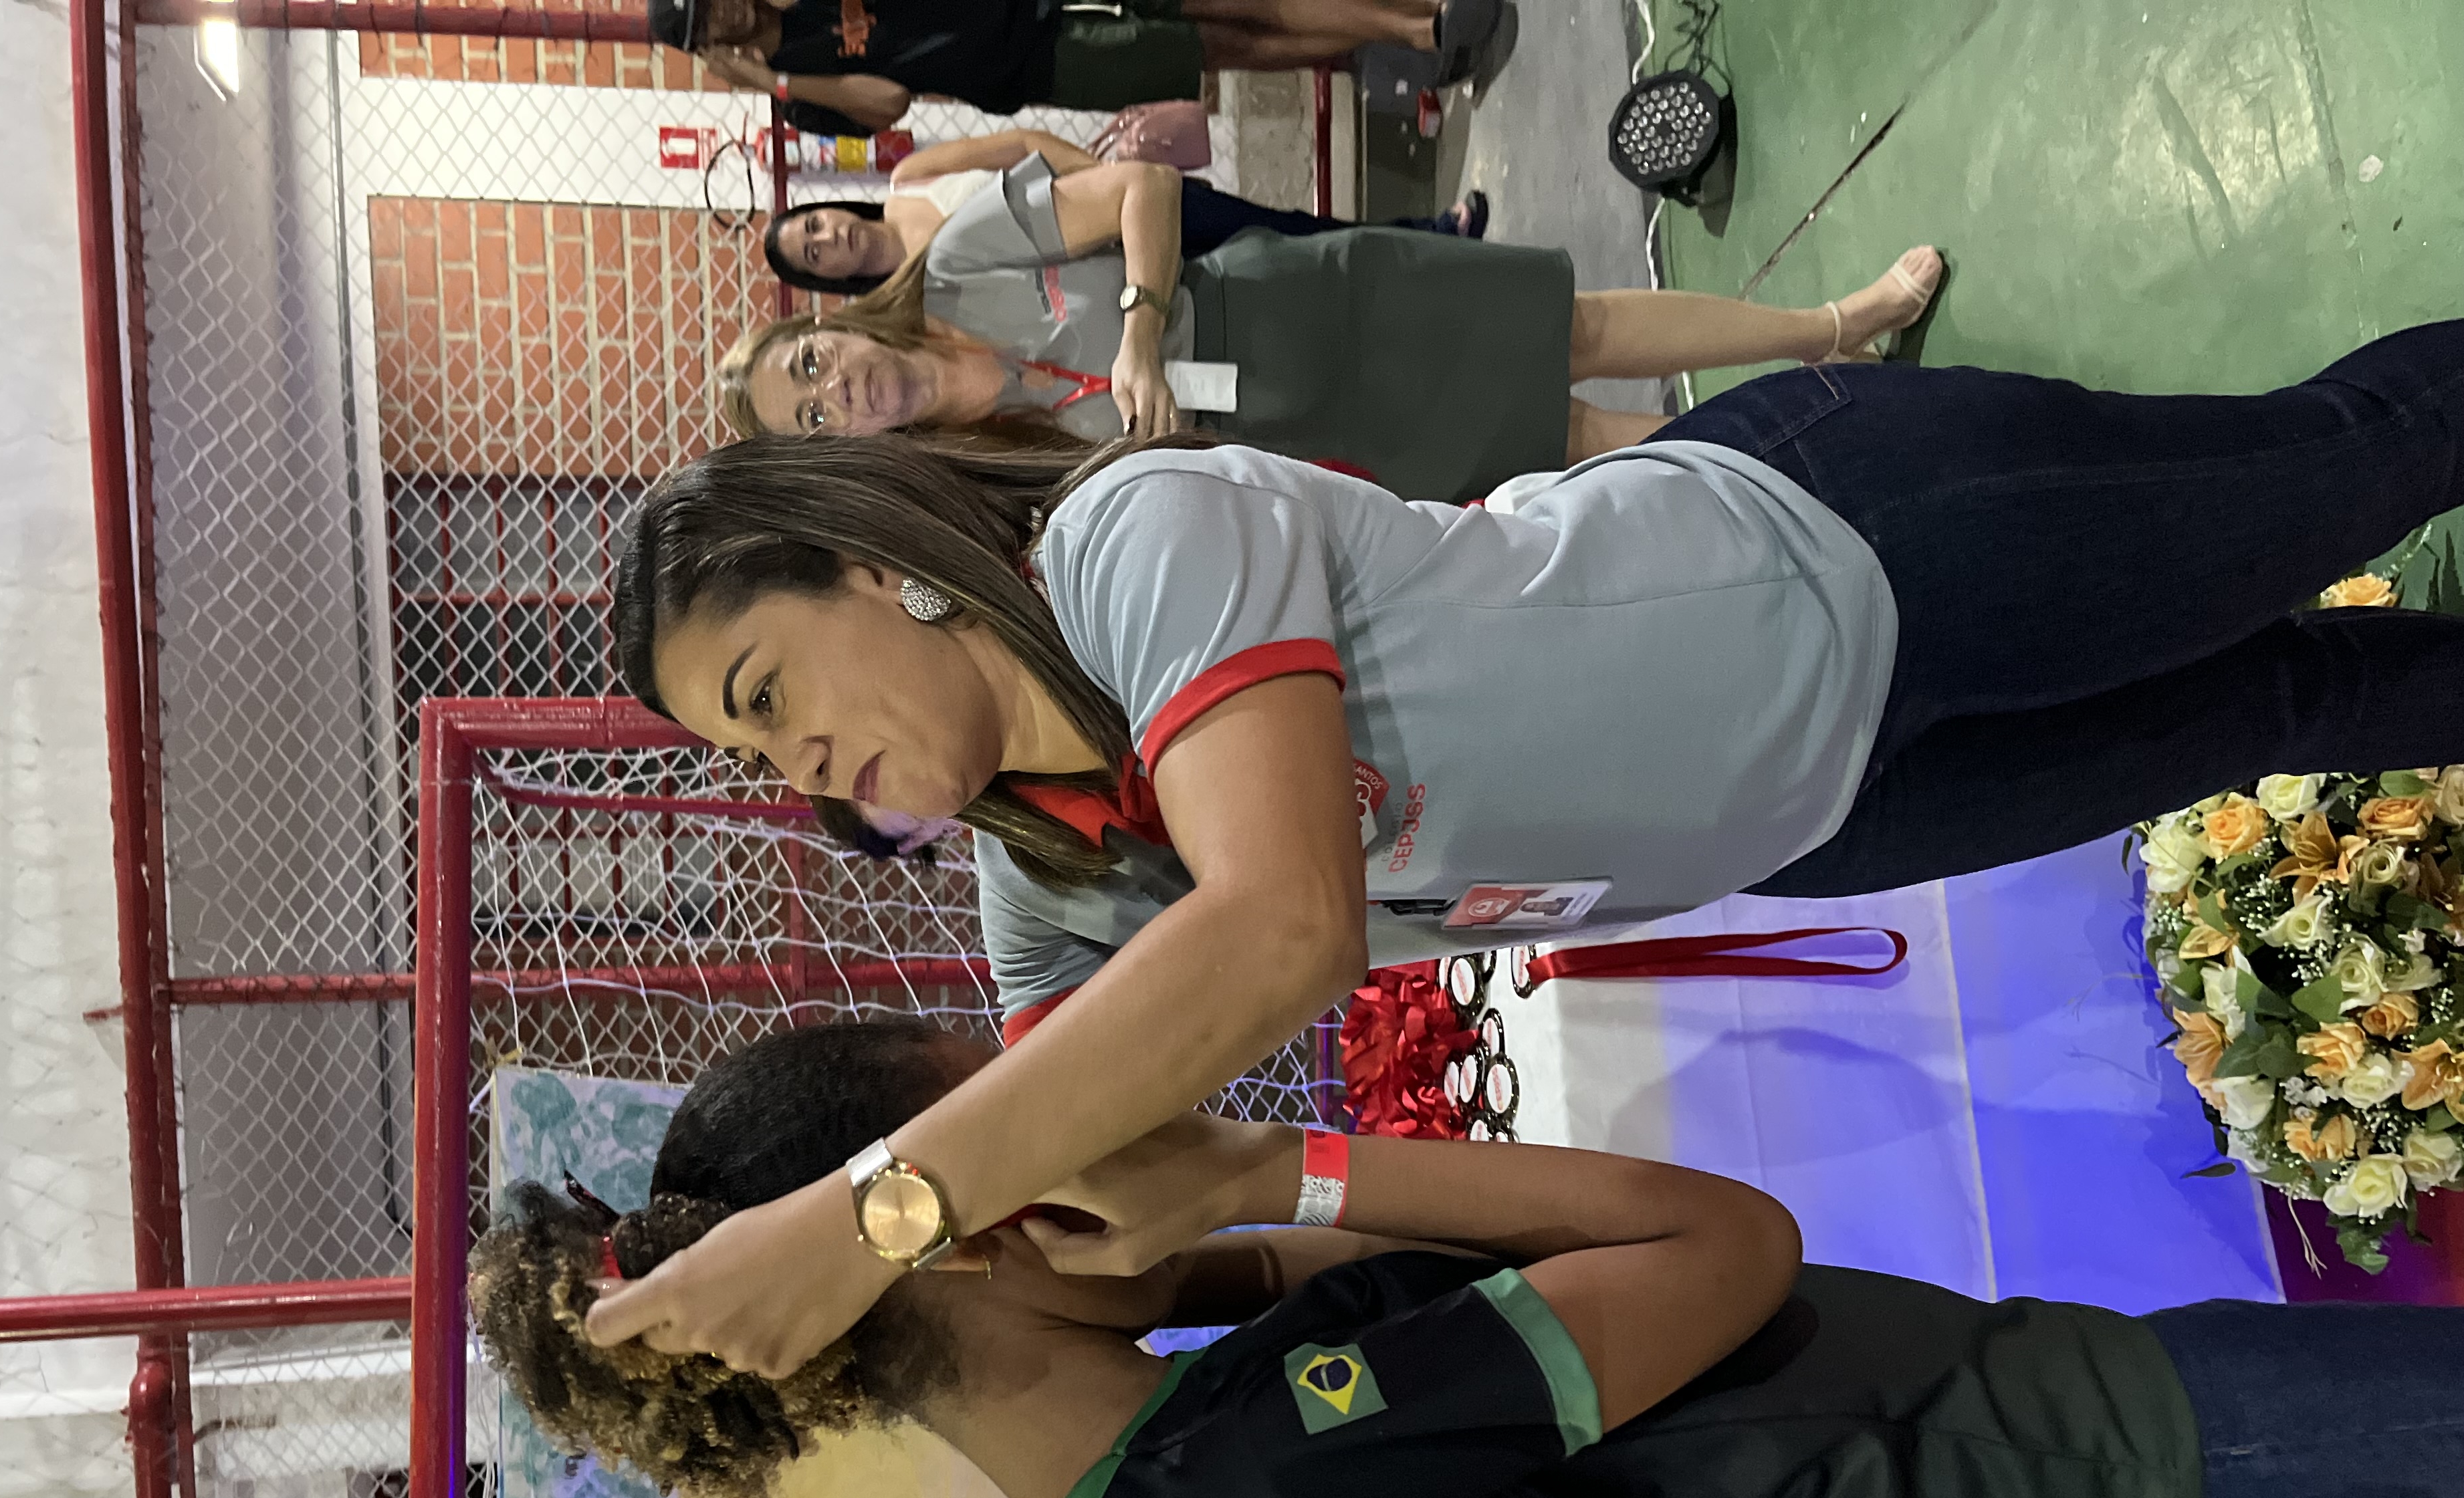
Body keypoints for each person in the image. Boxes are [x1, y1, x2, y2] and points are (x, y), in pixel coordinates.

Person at [591, 318, 2464, 1386]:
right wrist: (856, 1311)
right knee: (2280, 707)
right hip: (1823, 811)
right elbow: (1099, 1181)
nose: (796, 763)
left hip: (1854, 551)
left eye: (767, 689)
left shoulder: (1130, 542)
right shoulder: (1051, 892)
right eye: (751, 752)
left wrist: (862, 1224)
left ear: (874, 565)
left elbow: (1285, 921)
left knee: (2355, 458)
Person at [471, 1015, 2464, 1498]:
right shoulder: (1261, 1465)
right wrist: (1267, 1169)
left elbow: (1348, 1307)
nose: (1095, 1107)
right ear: (977, 1238)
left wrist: (1198, 1243)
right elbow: (1723, 1243)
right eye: (1025, 1117)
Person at [722, 144, 1947, 495]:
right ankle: (1846, 427)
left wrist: (1140, 328)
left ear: (834, 326)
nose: (839, 389)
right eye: (813, 416)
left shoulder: (956, 261)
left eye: (812, 363)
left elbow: (1141, 188)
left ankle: (1830, 328)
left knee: (1572, 331)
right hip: (1289, 440)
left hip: (1295, 304)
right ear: (840, 447)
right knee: (1571, 438)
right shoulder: (973, 467)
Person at [762, 126, 1489, 301]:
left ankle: (1433, 239)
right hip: (1125, 285)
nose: (830, 237)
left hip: (1139, 210)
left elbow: (1019, 145)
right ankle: (1431, 289)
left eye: (815, 224)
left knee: (1293, 229)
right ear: (829, 278)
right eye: (814, 253)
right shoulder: (909, 296)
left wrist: (1101, 180)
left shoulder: (911, 180)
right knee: (1294, 280)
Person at [655, 0, 1502, 142]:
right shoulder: (799, 95)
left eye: (709, 2)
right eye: (704, 28)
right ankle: (1413, 45)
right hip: (1038, 61)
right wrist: (774, 84)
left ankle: (1422, 21)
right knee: (1220, 49)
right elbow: (891, 100)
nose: (721, 16)